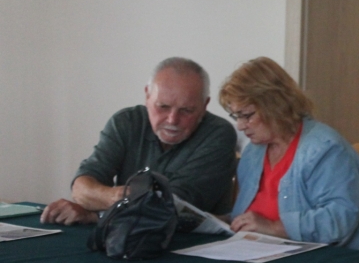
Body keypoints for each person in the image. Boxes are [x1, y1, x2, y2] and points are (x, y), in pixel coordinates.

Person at [41, 57, 237, 225]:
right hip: (125, 235)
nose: (172, 120)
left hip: (193, 246)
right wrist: (119, 197)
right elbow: (82, 187)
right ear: (147, 96)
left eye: (186, 110)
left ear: (204, 105)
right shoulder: (126, 122)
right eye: (163, 107)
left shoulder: (218, 134)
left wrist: (96, 213)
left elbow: (170, 206)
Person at [219, 57, 359, 252]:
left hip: (333, 258)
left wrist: (274, 227)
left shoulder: (326, 149)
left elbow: (339, 221)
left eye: (247, 115)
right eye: (236, 116)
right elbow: (250, 216)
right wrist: (222, 222)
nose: (240, 125)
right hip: (264, 252)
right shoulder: (253, 151)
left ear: (275, 104)